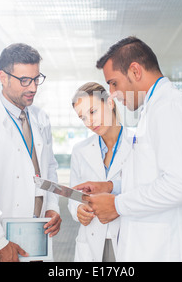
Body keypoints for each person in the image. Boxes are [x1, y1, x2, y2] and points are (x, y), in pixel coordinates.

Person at [74, 36, 182, 262]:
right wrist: (112, 186)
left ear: (135, 71)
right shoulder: (152, 111)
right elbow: (153, 177)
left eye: (113, 83)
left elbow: (179, 186)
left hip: (174, 250)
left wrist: (117, 204)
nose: (111, 92)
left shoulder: (169, 108)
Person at [0, 43, 62, 262]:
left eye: (36, 79)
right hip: (3, 235)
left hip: (39, 231)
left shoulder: (41, 118)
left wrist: (53, 207)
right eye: (24, 80)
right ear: (3, 77)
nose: (33, 87)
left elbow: (50, 167)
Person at [69, 82, 132, 262]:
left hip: (127, 237)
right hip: (91, 240)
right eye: (82, 117)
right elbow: (75, 195)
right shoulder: (80, 150)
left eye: (93, 112)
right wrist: (78, 210)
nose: (89, 122)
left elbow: (146, 192)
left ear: (110, 103)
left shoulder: (138, 145)